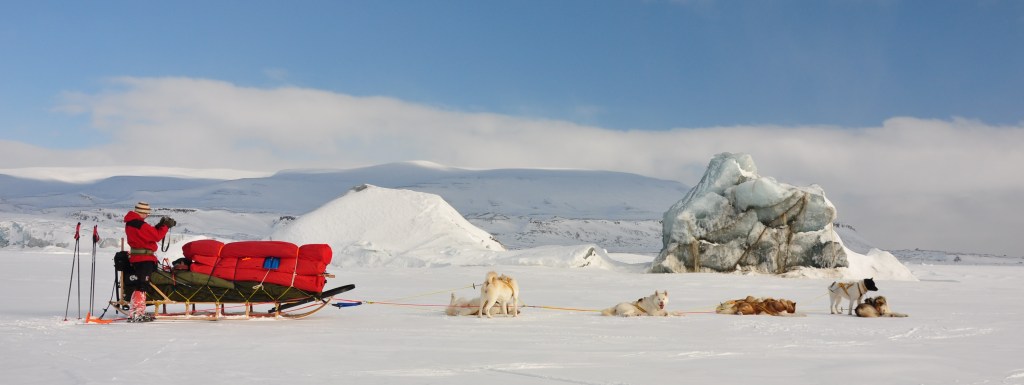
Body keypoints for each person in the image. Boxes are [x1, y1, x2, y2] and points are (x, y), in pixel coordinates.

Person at [123, 201, 175, 322]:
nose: (147, 215)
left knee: (141, 284)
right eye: (146, 213)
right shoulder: (139, 224)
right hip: (144, 259)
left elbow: (148, 234)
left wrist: (158, 226)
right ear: (142, 212)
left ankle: (137, 311)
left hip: (139, 258)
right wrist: (165, 226)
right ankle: (137, 313)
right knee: (142, 284)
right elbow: (156, 236)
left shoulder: (132, 223)